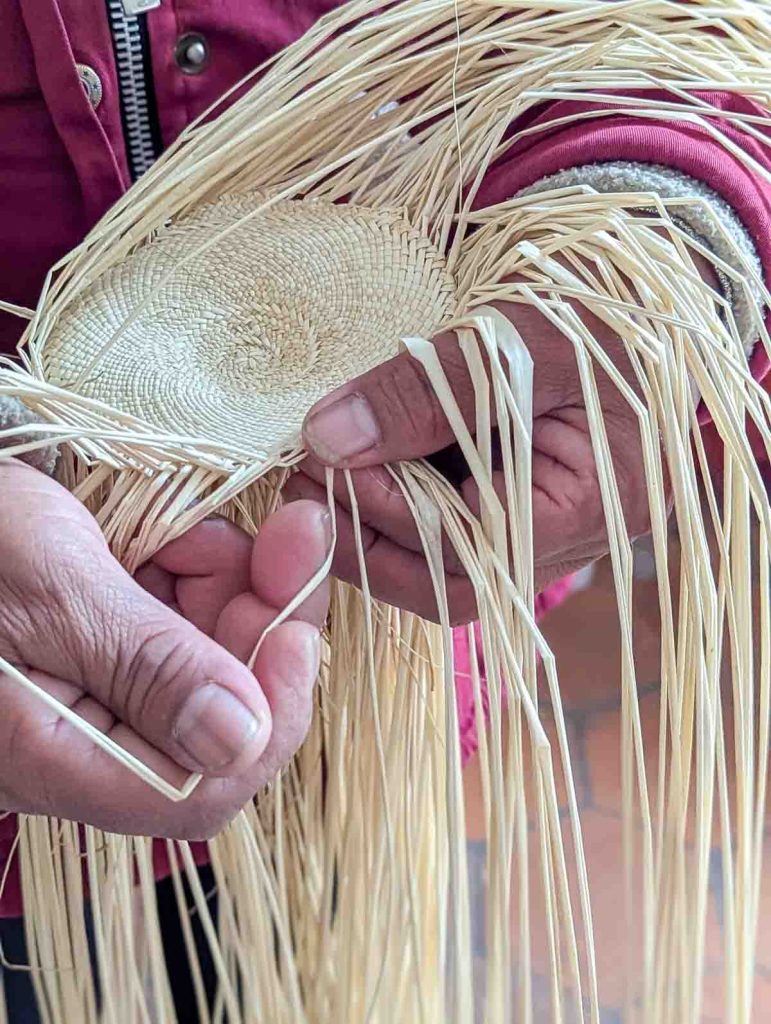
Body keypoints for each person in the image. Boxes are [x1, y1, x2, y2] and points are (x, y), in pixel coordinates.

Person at [0, 1, 768, 1020]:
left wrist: (660, 247)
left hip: (379, 683)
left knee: (294, 964)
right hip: (25, 784)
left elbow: (659, 31)